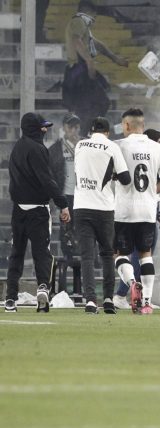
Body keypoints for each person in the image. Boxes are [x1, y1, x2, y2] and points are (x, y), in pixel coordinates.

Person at [5, 113, 71, 313]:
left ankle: (10, 299)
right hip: (38, 211)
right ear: (34, 128)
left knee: (16, 254)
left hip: (18, 210)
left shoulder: (16, 148)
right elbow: (46, 180)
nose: (45, 130)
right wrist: (63, 203)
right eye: (42, 127)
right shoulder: (39, 149)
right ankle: (43, 286)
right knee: (42, 253)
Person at [113, 109, 160, 314]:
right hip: (147, 209)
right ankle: (146, 301)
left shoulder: (118, 146)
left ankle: (131, 284)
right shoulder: (157, 148)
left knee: (121, 254)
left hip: (123, 210)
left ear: (127, 125)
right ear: (143, 125)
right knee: (146, 255)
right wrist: (150, 193)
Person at [73, 117, 130, 314]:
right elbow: (126, 179)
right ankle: (107, 299)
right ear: (107, 132)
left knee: (87, 256)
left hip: (81, 206)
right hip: (104, 208)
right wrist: (112, 175)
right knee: (106, 255)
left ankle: (90, 300)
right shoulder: (112, 146)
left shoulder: (80, 145)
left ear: (91, 130)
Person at [62, 0, 129, 136]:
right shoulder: (78, 21)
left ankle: (85, 132)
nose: (96, 18)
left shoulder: (85, 28)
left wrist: (115, 58)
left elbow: (97, 44)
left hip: (81, 70)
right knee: (98, 102)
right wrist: (88, 61)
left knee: (97, 103)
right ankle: (84, 133)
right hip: (79, 71)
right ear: (88, 11)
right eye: (95, 14)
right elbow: (76, 40)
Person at [48, 113, 83, 301]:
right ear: (64, 128)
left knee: (83, 231)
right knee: (65, 230)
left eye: (76, 127)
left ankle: (83, 267)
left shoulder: (85, 145)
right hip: (65, 196)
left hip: (83, 196)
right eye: (71, 127)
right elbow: (51, 173)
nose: (74, 130)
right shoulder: (56, 148)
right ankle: (68, 261)